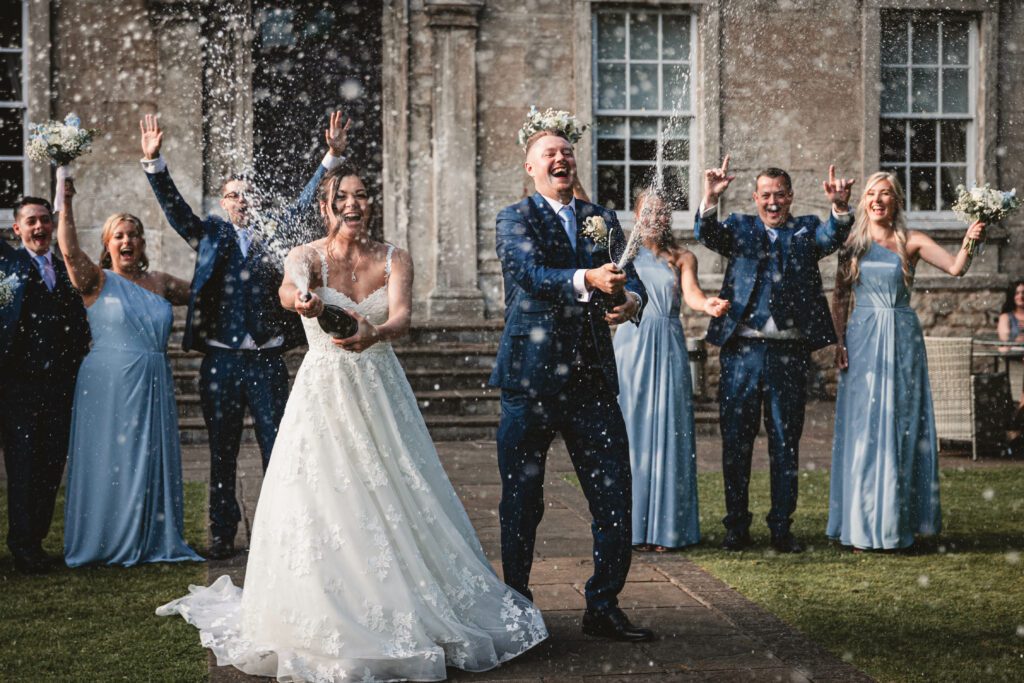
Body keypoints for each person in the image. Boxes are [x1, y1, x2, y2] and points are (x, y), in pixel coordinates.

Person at [158, 164, 547, 681]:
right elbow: (287, 291)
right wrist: (302, 299)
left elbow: (404, 317)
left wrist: (376, 331)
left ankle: (410, 604)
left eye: (362, 195)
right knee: (320, 494)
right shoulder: (304, 256)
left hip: (381, 388)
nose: (353, 203)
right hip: (322, 390)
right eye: (343, 195)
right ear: (326, 205)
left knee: (397, 488)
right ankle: (326, 604)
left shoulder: (394, 257)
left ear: (370, 203)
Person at [139, 111, 349, 559]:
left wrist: (330, 158)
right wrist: (155, 165)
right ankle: (222, 531)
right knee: (222, 452)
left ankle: (282, 531)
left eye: (247, 195)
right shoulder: (210, 233)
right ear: (222, 202)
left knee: (279, 447)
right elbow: (177, 212)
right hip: (222, 362)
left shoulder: (275, 232)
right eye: (232, 195)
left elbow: (303, 202)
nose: (240, 201)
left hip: (268, 360)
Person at [491, 129, 652, 642]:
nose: (561, 159)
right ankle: (517, 604)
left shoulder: (598, 217)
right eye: (549, 154)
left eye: (566, 152)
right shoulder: (515, 218)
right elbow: (530, 274)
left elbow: (631, 276)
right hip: (530, 380)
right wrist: (587, 279)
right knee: (522, 501)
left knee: (614, 495)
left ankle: (603, 604)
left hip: (591, 383)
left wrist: (632, 303)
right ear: (531, 167)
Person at [695, 157, 855, 553]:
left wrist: (838, 208)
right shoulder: (739, 228)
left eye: (779, 195)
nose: (772, 203)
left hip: (788, 353)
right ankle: (737, 527)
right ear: (754, 198)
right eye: (765, 195)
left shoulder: (805, 231)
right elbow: (707, 234)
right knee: (736, 441)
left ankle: (782, 528)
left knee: (785, 442)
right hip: (742, 351)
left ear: (790, 197)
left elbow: (832, 237)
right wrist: (710, 198)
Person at [829, 172, 984, 551]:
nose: (878, 200)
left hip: (901, 337)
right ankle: (861, 522)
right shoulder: (852, 242)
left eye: (885, 195)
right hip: (862, 336)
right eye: (871, 194)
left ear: (897, 201)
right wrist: (838, 342)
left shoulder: (910, 241)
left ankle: (898, 521)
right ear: (864, 201)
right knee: (864, 426)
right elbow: (839, 299)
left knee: (901, 423)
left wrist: (971, 239)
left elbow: (955, 268)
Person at [55, 179, 203, 567]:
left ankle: (151, 536)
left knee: (148, 457)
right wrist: (65, 202)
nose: (127, 241)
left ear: (142, 243)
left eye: (134, 235)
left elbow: (212, 289)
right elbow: (69, 252)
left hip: (154, 378)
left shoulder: (162, 283)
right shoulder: (96, 281)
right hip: (107, 381)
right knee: (109, 457)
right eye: (118, 235)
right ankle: (105, 539)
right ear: (107, 245)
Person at [614, 190, 730, 553]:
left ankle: (667, 529)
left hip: (667, 344)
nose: (656, 218)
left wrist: (707, 304)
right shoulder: (622, 256)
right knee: (630, 433)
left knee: (669, 431)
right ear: (636, 215)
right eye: (648, 211)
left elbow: (691, 295)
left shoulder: (682, 257)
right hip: (631, 346)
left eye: (663, 212)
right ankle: (629, 527)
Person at [0, 197, 90, 574]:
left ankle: (35, 541)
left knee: (51, 468)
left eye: (44, 221)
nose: (39, 228)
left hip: (59, 387)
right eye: (31, 222)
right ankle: (22, 547)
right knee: (22, 468)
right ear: (16, 229)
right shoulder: (7, 265)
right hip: (18, 388)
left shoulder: (65, 267)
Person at [998, 279, 1024, 452]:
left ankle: (1015, 425)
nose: (1021, 296)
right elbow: (1004, 344)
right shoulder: (1006, 317)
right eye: (1017, 293)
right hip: (1015, 363)